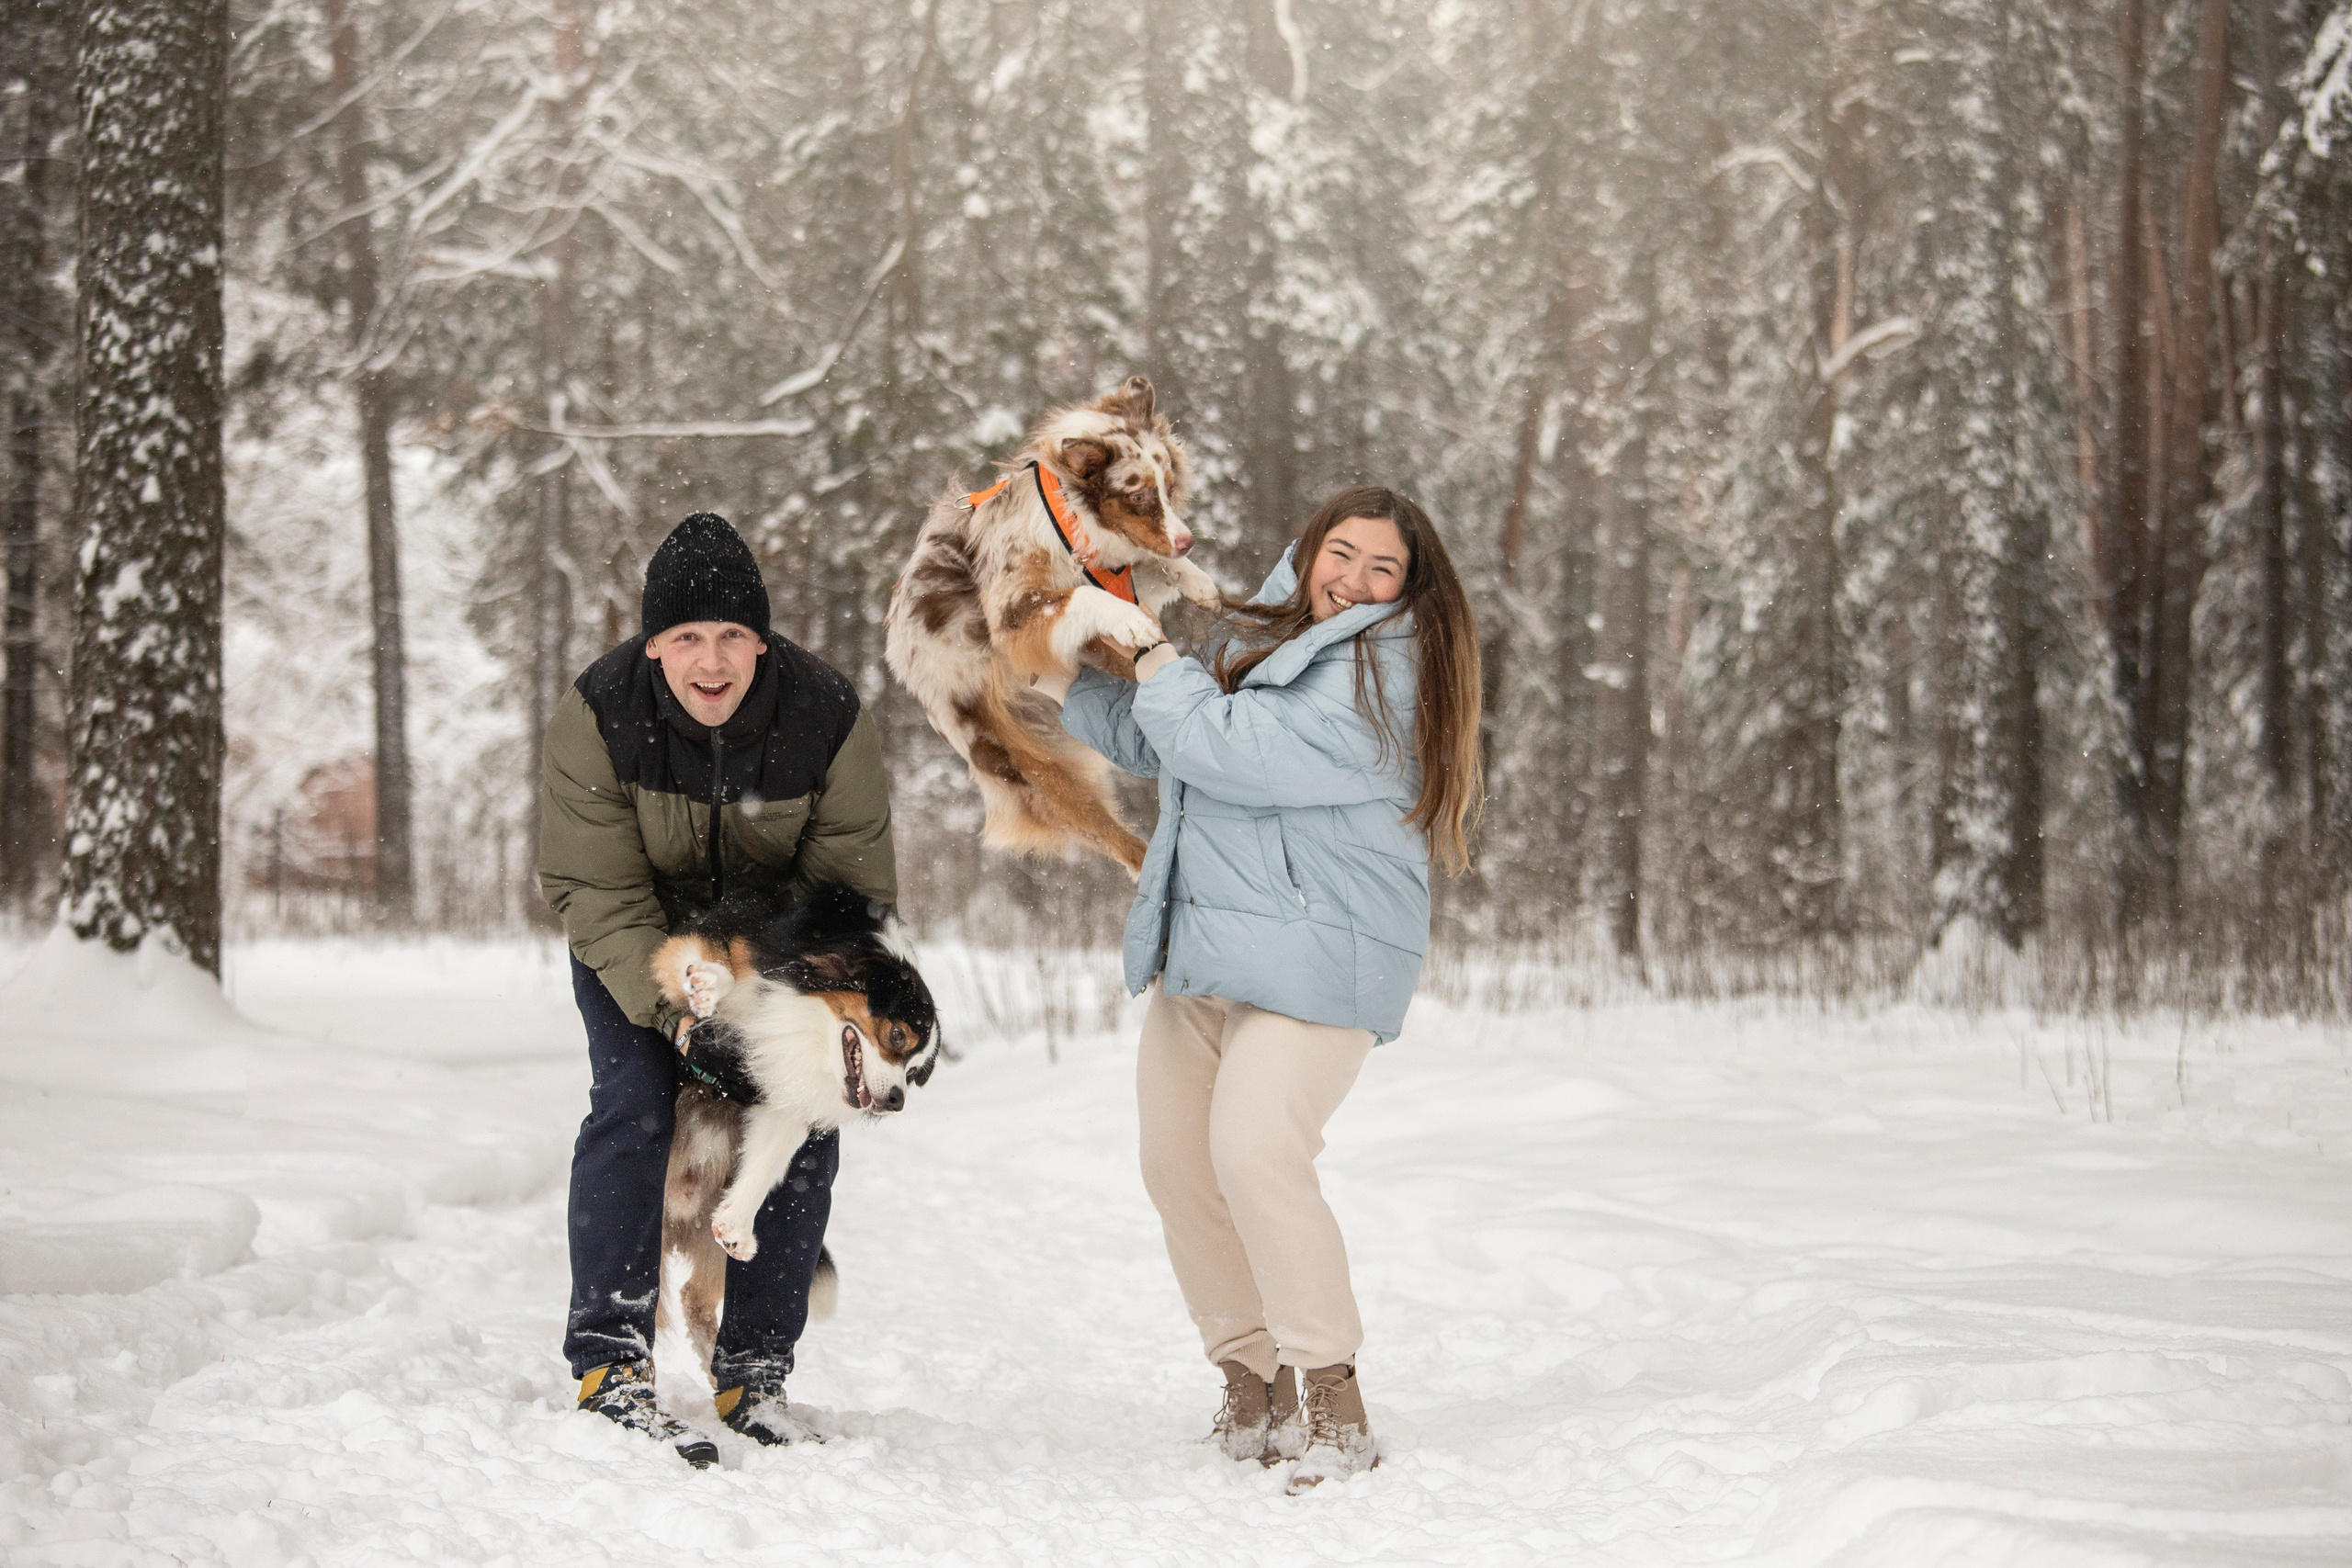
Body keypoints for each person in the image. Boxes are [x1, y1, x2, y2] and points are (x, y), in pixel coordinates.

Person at [1049, 485, 1483, 1489]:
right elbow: (1159, 738)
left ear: (1409, 587)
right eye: (1342, 553)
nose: (1356, 580)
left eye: (1384, 568)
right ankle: (1251, 1376)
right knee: (1176, 1165)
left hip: (1323, 954)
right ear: (1310, 549)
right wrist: (1068, 653)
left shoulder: (1396, 669)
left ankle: (1329, 1392)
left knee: (1253, 1153)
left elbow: (1226, 748)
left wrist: (1158, 657)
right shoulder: (1266, 641)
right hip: (1214, 945)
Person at [538, 512, 896, 1462]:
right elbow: (595, 888)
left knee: (802, 1128)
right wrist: (679, 1017)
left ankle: (755, 1371)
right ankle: (609, 1362)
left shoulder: (823, 714)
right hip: (634, 942)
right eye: (687, 636)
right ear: (653, 642)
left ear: (763, 641)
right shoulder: (599, 712)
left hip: (772, 964)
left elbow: (851, 890)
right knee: (635, 1111)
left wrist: (779, 1010)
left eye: (733, 635)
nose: (711, 659)